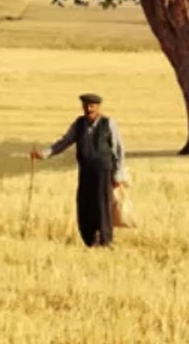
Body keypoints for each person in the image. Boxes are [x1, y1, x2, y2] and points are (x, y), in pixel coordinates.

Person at [31, 93, 127, 247]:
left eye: (92, 106)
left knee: (102, 205)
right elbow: (63, 142)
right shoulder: (79, 124)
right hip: (85, 170)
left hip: (103, 171)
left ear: (98, 107)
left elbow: (119, 150)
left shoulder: (109, 124)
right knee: (84, 204)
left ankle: (105, 239)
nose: (88, 109)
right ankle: (89, 239)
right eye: (86, 106)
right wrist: (43, 154)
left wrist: (118, 175)